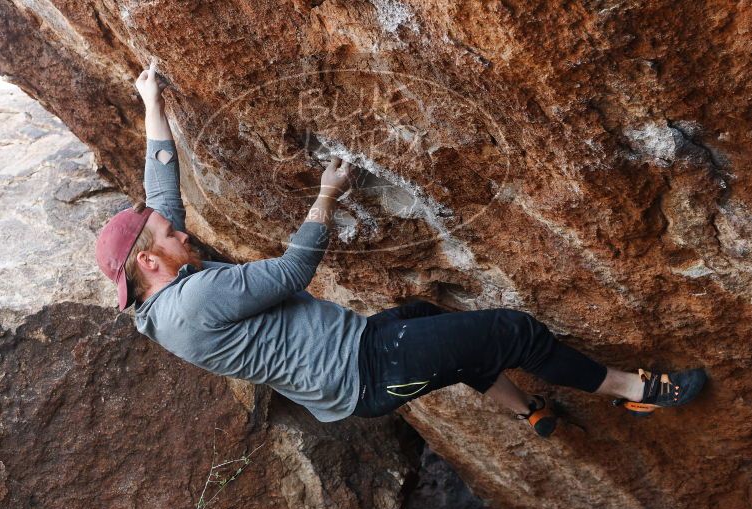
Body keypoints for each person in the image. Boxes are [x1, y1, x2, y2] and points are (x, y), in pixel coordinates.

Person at [95, 63, 707, 438]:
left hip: (352, 374)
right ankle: (638, 392)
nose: (182, 234)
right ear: (150, 263)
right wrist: (326, 195)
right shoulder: (194, 297)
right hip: (369, 369)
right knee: (515, 333)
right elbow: (293, 270)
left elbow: (160, 198)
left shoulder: (157, 296)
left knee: (430, 318)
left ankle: (531, 413)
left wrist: (151, 102)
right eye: (170, 238)